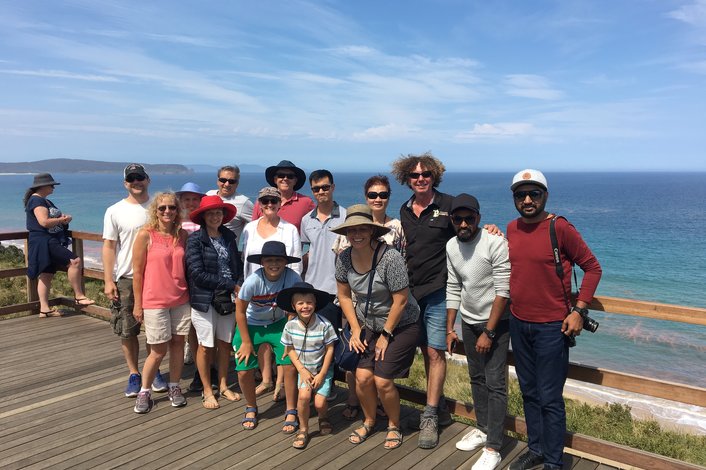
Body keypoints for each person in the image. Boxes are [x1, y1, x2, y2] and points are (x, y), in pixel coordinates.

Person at [506, 169, 602, 470]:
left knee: (549, 398)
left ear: (545, 196)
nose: (527, 199)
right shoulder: (511, 228)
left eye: (534, 193)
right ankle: (536, 449)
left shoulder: (559, 228)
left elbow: (593, 268)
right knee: (529, 393)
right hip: (518, 322)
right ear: (515, 199)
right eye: (521, 194)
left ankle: (554, 462)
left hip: (552, 327)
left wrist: (579, 310)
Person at [333, 204, 421, 450]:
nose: (357, 234)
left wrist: (386, 334)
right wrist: (356, 328)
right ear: (346, 233)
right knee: (362, 377)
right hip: (368, 323)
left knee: (382, 380)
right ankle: (369, 420)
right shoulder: (344, 258)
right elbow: (345, 296)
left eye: (363, 229)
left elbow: (401, 300)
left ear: (372, 231)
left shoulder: (389, 257)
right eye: (352, 230)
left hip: (402, 324)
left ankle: (394, 425)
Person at [391, 152, 456, 448]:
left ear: (434, 177)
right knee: (421, 350)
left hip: (439, 291)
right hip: (411, 293)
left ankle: (429, 414)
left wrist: (491, 230)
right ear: (407, 179)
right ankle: (439, 406)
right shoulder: (404, 210)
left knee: (434, 353)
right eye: (415, 175)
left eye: (426, 174)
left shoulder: (449, 206)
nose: (420, 179)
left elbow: (468, 233)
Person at [445, 194, 511, 470]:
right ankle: (484, 428)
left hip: (496, 324)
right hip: (469, 323)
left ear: (478, 219)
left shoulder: (495, 242)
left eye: (469, 218)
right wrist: (450, 327)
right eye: (458, 218)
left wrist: (490, 332)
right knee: (476, 377)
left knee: (496, 384)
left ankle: (494, 446)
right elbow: (453, 285)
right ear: (452, 220)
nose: (463, 223)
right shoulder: (451, 246)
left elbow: (503, 292)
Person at [103, 164, 167, 397]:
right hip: (128, 278)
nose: (136, 182)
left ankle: (155, 370)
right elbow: (109, 246)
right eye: (131, 179)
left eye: (140, 177)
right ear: (125, 183)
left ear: (148, 180)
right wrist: (108, 280)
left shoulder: (160, 207)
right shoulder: (114, 210)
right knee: (128, 330)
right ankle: (134, 373)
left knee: (155, 330)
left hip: (157, 278)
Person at [233, 241, 302, 433]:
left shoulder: (292, 277)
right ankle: (251, 406)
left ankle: (291, 408)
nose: (274, 264)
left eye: (279, 260)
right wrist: (246, 342)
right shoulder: (253, 281)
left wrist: (290, 332)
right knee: (243, 369)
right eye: (269, 260)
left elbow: (295, 305)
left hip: (279, 324)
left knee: (289, 364)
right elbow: (239, 311)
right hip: (251, 324)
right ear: (262, 262)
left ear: (285, 262)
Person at [131, 192, 191, 414]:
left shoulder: (182, 235)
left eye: (172, 208)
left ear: (178, 211)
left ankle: (174, 386)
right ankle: (145, 390)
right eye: (162, 208)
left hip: (181, 298)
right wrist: (138, 304)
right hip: (154, 300)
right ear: (155, 211)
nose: (167, 212)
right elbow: (137, 273)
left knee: (177, 344)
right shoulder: (146, 235)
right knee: (157, 350)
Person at [242, 186, 302, 399]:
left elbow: (295, 263)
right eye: (264, 201)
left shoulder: (289, 229)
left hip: (283, 291)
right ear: (259, 204)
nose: (269, 204)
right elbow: (246, 261)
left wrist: (293, 296)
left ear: (280, 204)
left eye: (273, 201)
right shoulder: (249, 227)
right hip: (256, 290)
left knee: (282, 337)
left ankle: (281, 383)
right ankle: (267, 379)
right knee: (261, 334)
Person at [185, 195, 243, 409]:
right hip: (204, 299)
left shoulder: (228, 236)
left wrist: (237, 284)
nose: (215, 216)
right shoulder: (194, 240)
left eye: (218, 213)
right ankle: (207, 390)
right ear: (203, 216)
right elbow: (197, 274)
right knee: (206, 345)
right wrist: (230, 285)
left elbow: (236, 265)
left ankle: (224, 385)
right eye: (210, 213)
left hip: (227, 299)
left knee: (225, 344)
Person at [24, 173, 95, 317]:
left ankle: (44, 309)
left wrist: (64, 219)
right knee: (74, 261)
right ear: (42, 186)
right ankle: (79, 295)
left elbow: (50, 218)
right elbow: (44, 222)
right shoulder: (37, 201)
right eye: (51, 185)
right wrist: (62, 220)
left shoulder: (44, 201)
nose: (53, 187)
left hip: (45, 240)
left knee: (46, 274)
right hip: (45, 240)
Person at [277, 282, 337, 449]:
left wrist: (322, 374)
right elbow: (289, 350)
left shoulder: (324, 324)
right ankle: (303, 428)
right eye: (300, 303)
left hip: (322, 370)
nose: (305, 306)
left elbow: (330, 349)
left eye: (309, 302)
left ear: (315, 303)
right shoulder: (290, 326)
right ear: (293, 305)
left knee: (319, 403)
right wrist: (302, 371)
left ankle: (323, 417)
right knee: (303, 397)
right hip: (304, 370)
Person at [176, 182, 205, 367]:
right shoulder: (175, 222)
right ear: (181, 200)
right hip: (181, 274)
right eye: (187, 199)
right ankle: (188, 344)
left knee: (197, 316)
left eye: (195, 199)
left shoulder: (203, 221)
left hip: (199, 275)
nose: (191, 203)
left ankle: (197, 348)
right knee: (184, 315)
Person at [251, 160, 315, 233]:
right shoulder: (262, 202)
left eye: (290, 176)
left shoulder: (306, 202)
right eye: (281, 175)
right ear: (275, 180)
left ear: (295, 180)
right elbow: (253, 230)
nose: (285, 178)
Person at [206, 165, 254, 241]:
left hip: (228, 250)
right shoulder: (208, 195)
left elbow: (258, 223)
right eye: (223, 180)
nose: (227, 184)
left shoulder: (243, 202)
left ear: (237, 184)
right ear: (218, 181)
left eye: (232, 181)